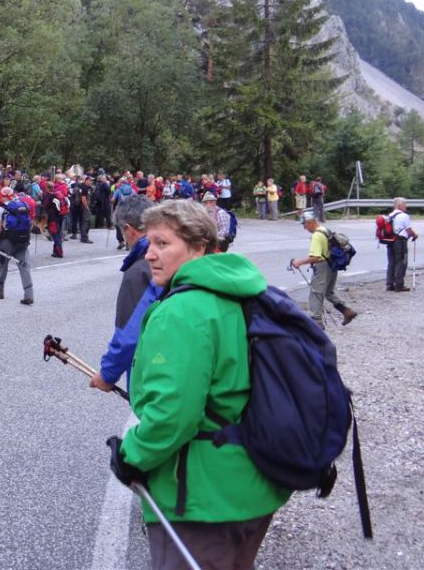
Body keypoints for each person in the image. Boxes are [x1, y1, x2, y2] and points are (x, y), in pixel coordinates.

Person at [107, 200, 290, 570]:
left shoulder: (181, 311)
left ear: (199, 246)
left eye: (163, 244)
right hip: (253, 480)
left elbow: (174, 415)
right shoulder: (242, 292)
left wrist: (131, 456)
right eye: (150, 244)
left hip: (200, 497)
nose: (151, 255)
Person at [90, 195, 159, 394]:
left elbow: (130, 333)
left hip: (154, 372)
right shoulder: (176, 253)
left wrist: (107, 374)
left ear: (129, 230)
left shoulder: (139, 271)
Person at [291, 212, 359, 328]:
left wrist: (298, 262)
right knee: (328, 292)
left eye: (304, 225)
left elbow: (315, 257)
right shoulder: (325, 230)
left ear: (310, 223)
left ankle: (316, 322)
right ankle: (347, 311)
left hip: (322, 266)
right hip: (332, 264)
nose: (304, 228)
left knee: (316, 293)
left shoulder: (316, 235)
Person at [0, 186, 34, 305]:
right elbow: (30, 223)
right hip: (23, 240)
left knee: (3, 265)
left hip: (7, 241)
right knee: (24, 266)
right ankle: (29, 295)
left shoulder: (0, 209)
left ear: (1, 196)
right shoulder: (22, 205)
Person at [384, 197, 418, 292]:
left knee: (391, 262)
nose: (406, 206)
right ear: (399, 205)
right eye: (404, 204)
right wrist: (415, 235)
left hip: (390, 241)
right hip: (400, 241)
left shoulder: (390, 215)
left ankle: (389, 283)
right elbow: (408, 230)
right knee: (401, 262)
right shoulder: (404, 216)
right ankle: (399, 285)